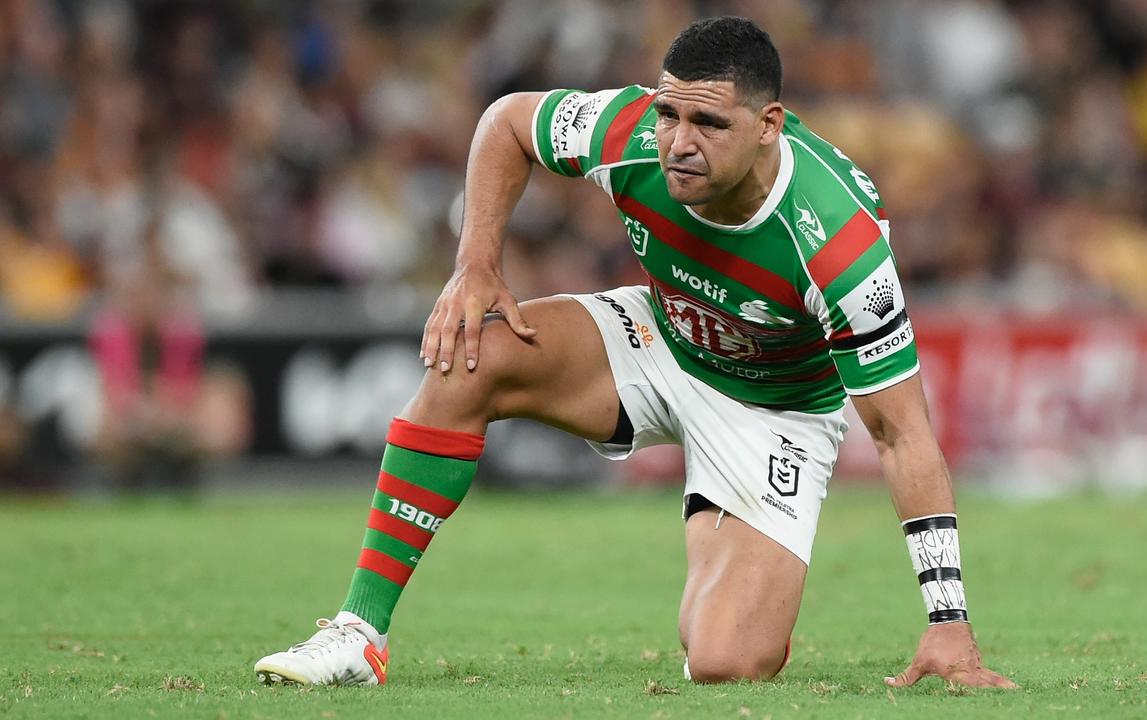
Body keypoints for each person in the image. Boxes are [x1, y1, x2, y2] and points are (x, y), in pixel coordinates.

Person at [254, 16, 1015, 690]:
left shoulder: (840, 246)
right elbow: (506, 123)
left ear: (769, 125)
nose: (679, 143)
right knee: (469, 357)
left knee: (725, 661)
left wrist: (948, 620)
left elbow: (900, 433)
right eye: (668, 114)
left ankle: (731, 560)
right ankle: (359, 632)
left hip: (775, 410)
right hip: (662, 336)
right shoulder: (626, 132)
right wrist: (477, 263)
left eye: (709, 124)